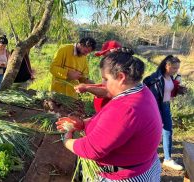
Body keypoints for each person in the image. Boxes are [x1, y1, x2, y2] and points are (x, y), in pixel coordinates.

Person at [56, 48, 163, 181]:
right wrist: (83, 124)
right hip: (143, 166)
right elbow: (113, 122)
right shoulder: (140, 90)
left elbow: (90, 149)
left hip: (125, 176)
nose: (103, 84)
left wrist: (66, 140)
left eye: (105, 79)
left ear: (121, 77)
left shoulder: (126, 109)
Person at [143, 55, 184, 171]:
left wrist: (179, 90)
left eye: (177, 68)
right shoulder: (156, 78)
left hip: (166, 106)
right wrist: (155, 112)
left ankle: (167, 159)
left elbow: (168, 92)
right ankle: (147, 158)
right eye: (174, 68)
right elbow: (152, 96)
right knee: (153, 132)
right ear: (167, 65)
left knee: (168, 131)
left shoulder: (170, 77)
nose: (176, 71)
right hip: (157, 107)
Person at [74, 40, 122, 112]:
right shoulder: (111, 67)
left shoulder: (120, 70)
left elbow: (109, 91)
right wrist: (90, 85)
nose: (104, 58)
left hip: (111, 111)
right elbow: (104, 86)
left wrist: (87, 88)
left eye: (106, 55)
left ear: (114, 52)